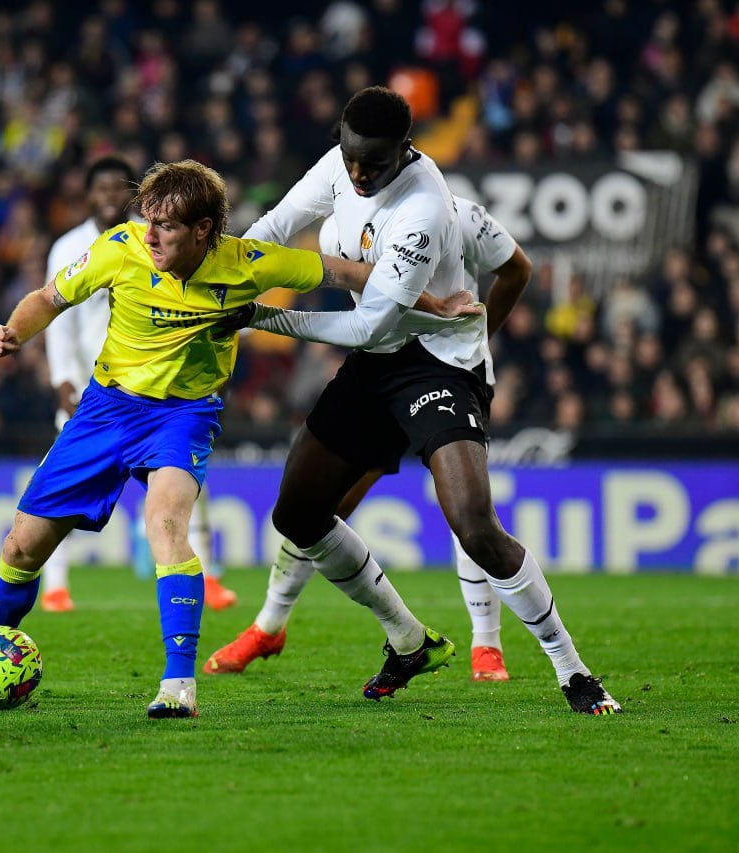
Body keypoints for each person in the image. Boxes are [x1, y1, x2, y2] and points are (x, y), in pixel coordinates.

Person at [0, 159, 463, 717]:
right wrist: (12, 332)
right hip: (105, 409)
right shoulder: (118, 247)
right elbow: (48, 299)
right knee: (20, 547)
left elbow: (353, 274)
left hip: (181, 416)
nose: (150, 235)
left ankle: (179, 686)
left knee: (166, 526)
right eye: (147, 220)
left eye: (168, 226)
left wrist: (435, 303)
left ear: (204, 229)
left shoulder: (247, 263)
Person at [216, 86, 620, 714]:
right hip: (376, 365)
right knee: (297, 515)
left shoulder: (428, 209)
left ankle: (572, 670)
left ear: (404, 151)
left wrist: (261, 319)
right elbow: (271, 231)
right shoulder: (340, 166)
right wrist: (222, 271)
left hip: (435, 364)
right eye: (349, 157)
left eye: (371, 164)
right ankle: (407, 639)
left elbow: (369, 326)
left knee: (473, 523)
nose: (356, 173)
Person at [207, 200, 530, 683]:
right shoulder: (346, 227)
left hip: (446, 378)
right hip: (382, 378)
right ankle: (269, 625)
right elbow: (370, 296)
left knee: (467, 510)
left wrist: (475, 342)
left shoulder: (456, 215)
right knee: (320, 511)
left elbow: (516, 271)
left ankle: (487, 643)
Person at [39, 156, 237, 613]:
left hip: (157, 389)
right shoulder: (69, 246)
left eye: (117, 190)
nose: (109, 197)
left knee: (181, 488)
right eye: (100, 189)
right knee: (61, 481)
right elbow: (57, 320)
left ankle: (209, 576)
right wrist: (63, 381)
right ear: (87, 195)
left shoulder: (154, 238)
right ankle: (55, 583)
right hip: (94, 390)